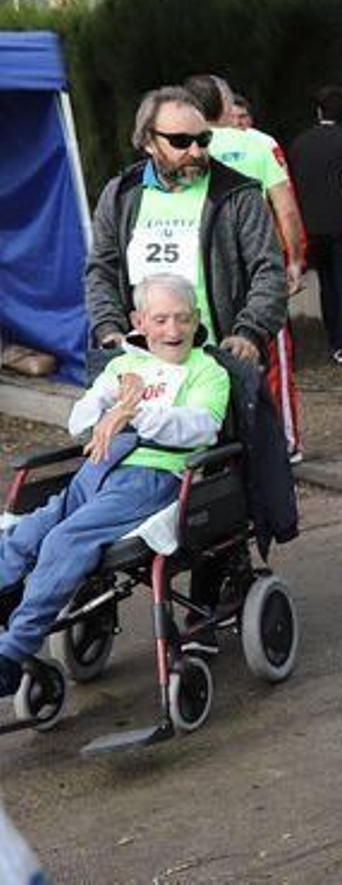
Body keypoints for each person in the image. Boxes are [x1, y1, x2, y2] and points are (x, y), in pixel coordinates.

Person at [0, 275, 228, 696]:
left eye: (183, 318)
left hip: (151, 477)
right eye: (160, 320)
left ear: (197, 319)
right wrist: (108, 409)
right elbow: (79, 421)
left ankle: (11, 653)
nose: (173, 330)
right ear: (139, 321)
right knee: (23, 533)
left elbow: (200, 428)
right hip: (97, 472)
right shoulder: (124, 366)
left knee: (63, 540)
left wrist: (133, 413)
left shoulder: (207, 371)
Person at [84, 87, 285, 370]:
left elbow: (269, 270)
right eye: (181, 141)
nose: (195, 152)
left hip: (217, 364)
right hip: (139, 366)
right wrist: (108, 328)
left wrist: (249, 333)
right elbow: (101, 270)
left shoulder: (238, 194)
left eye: (203, 139)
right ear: (148, 141)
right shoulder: (121, 195)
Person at [184, 73, 307, 461]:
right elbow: (285, 207)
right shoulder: (258, 143)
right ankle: (283, 444)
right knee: (270, 353)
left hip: (203, 269)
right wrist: (296, 258)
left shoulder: (180, 149)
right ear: (225, 104)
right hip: (257, 261)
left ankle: (219, 443)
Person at [287, 86, 342, 372]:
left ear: (318, 111)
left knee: (328, 285)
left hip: (311, 225)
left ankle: (334, 340)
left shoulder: (299, 144)